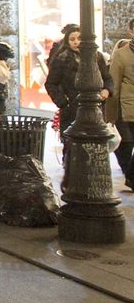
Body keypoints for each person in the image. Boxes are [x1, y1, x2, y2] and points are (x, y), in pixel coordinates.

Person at [44, 24, 111, 135]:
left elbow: (107, 78)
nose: (76, 42)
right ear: (67, 41)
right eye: (72, 39)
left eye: (79, 38)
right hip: (71, 109)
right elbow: (51, 84)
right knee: (71, 145)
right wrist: (63, 102)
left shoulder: (97, 57)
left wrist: (106, 90)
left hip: (96, 109)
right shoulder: (62, 59)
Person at [109, 21, 134, 192]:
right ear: (131, 31)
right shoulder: (121, 54)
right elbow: (114, 84)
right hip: (128, 107)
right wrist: (110, 114)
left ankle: (131, 178)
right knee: (126, 145)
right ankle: (131, 176)